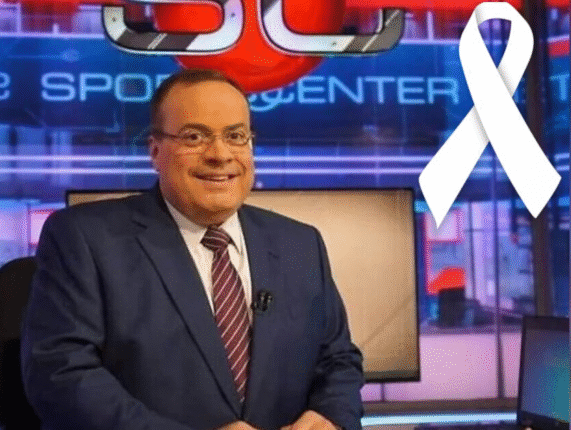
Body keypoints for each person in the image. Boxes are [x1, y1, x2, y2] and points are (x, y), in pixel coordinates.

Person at [21, 69, 364, 430]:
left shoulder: (300, 244)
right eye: (194, 136)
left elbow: (338, 359)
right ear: (155, 151)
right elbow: (61, 374)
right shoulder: (85, 238)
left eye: (236, 136)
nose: (220, 154)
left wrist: (330, 415)